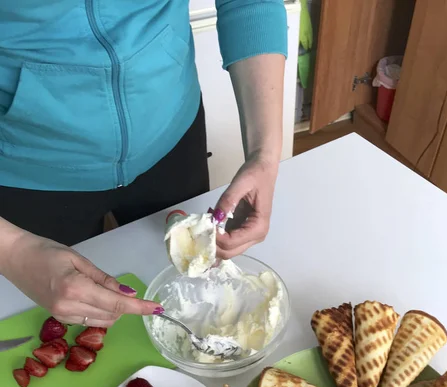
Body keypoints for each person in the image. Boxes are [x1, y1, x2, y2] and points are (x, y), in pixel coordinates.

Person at [0, 1, 287, 328]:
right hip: (27, 170)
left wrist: (264, 154)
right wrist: (13, 251)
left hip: (172, 133)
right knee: (54, 321)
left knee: (190, 288)